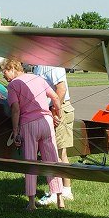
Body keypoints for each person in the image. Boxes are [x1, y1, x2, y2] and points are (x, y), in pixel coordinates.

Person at [0, 58, 65, 211]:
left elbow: (15, 109)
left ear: (11, 68)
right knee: (52, 159)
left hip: (29, 124)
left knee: (30, 162)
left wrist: (15, 132)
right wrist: (58, 115)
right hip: (46, 121)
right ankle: (60, 199)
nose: (5, 77)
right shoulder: (39, 78)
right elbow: (55, 97)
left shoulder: (13, 85)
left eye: (5, 73)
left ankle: (31, 202)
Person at [33, 64, 75, 205]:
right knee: (58, 153)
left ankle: (57, 192)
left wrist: (55, 111)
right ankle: (65, 190)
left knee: (54, 153)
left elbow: (61, 89)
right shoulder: (38, 67)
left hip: (59, 108)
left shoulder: (51, 65)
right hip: (51, 109)